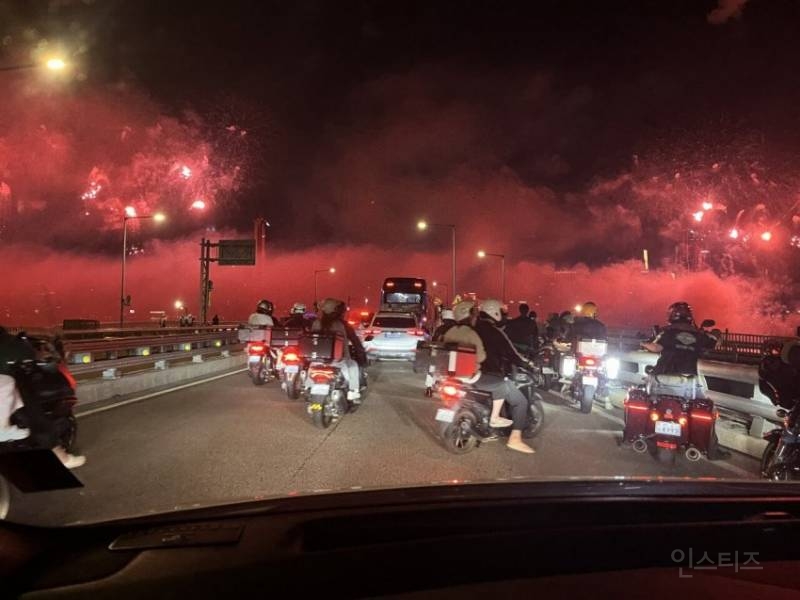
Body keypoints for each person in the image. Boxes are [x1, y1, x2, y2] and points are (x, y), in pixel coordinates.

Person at [641, 301, 728, 460]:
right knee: (708, 409)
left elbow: (656, 348)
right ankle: (713, 449)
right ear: (689, 317)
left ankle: (638, 433)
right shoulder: (699, 335)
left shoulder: (667, 332)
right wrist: (716, 334)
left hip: (662, 379)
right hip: (688, 382)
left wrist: (642, 343)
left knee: (642, 398)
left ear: (672, 315)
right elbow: (715, 344)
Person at [473, 299, 537, 454]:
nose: (502, 316)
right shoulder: (495, 332)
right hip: (487, 375)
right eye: (501, 313)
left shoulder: (472, 328)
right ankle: (515, 439)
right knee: (520, 402)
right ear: (494, 312)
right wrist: (528, 365)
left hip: (468, 374)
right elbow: (512, 354)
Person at [312, 298, 367, 402]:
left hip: (317, 360)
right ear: (337, 311)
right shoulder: (342, 325)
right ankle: (353, 392)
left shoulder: (316, 323)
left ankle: (308, 387)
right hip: (338, 360)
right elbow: (355, 342)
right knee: (353, 366)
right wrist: (362, 358)